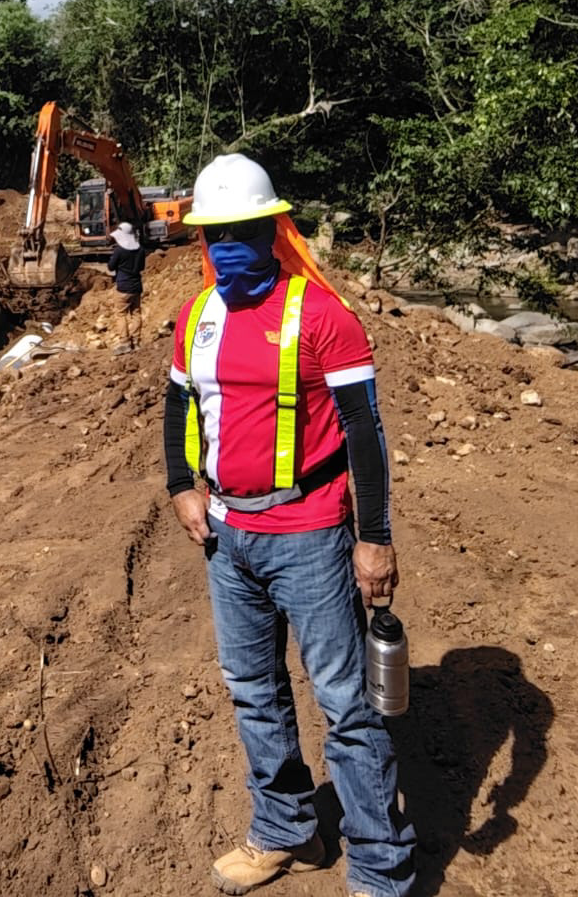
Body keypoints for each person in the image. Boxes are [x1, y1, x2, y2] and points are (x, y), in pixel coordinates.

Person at [163, 154, 415, 897]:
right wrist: (181, 485)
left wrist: (374, 536)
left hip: (309, 535)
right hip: (226, 536)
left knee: (346, 703)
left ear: (273, 230)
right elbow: (179, 404)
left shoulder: (323, 315)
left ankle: (380, 868)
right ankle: (285, 828)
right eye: (215, 235)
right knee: (253, 688)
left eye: (242, 232)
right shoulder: (197, 315)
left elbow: (364, 431)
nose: (228, 248)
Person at [106, 221, 146, 353]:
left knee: (121, 314)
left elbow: (110, 267)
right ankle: (136, 341)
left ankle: (125, 342)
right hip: (136, 286)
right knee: (136, 313)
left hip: (123, 286)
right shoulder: (140, 250)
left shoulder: (119, 251)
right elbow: (141, 267)